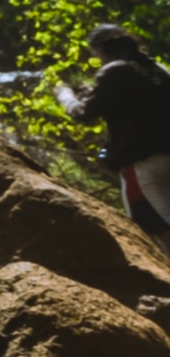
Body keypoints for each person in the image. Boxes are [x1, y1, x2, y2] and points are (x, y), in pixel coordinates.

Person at [72, 25, 170, 241]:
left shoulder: (113, 70)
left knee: (158, 230)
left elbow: (84, 112)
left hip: (142, 166)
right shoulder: (159, 69)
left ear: (100, 48)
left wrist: (65, 98)